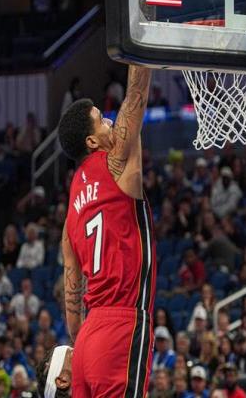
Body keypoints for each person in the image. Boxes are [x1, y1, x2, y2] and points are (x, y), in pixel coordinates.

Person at [56, 65, 155, 397]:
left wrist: (82, 342)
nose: (110, 121)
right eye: (101, 119)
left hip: (86, 341)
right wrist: (142, 41)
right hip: (120, 325)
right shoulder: (116, 162)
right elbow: (136, 94)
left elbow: (72, 286)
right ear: (91, 141)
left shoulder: (71, 209)